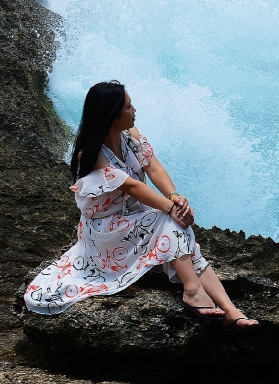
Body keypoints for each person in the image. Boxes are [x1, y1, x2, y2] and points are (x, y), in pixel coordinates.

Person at [23, 83, 258, 330]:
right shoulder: (90, 153)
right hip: (106, 233)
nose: (134, 110)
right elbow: (132, 186)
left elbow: (154, 168)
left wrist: (174, 197)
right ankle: (193, 291)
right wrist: (171, 209)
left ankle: (231, 310)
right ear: (111, 114)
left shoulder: (132, 137)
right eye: (128, 106)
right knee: (171, 221)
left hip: (132, 222)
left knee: (182, 237)